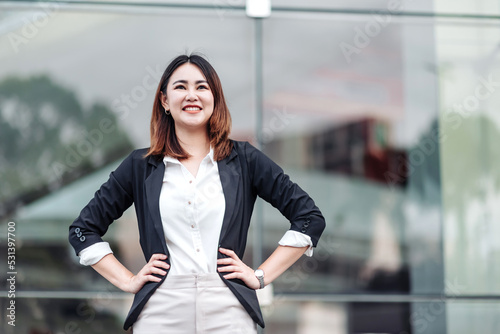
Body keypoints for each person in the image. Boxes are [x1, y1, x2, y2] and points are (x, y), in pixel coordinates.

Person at [68, 54, 326, 333]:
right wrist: (127, 280)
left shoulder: (245, 159)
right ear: (165, 101)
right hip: (161, 312)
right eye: (180, 87)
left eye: (202, 87)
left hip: (228, 311)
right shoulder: (140, 166)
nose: (192, 95)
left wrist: (260, 276)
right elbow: (83, 230)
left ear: (215, 99)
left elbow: (309, 218)